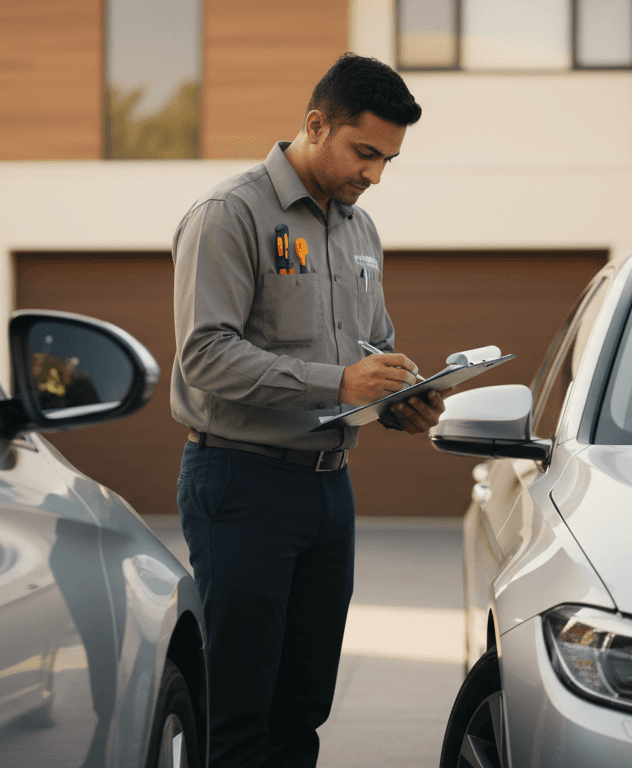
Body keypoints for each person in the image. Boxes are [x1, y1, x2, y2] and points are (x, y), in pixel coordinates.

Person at [170, 53, 448, 768]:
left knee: (303, 707)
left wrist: (398, 397)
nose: (376, 175)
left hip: (329, 488)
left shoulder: (359, 231)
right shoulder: (228, 215)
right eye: (365, 153)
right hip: (240, 482)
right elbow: (204, 356)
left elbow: (371, 349)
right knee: (240, 708)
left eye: (389, 159)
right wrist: (337, 383)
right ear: (316, 124)